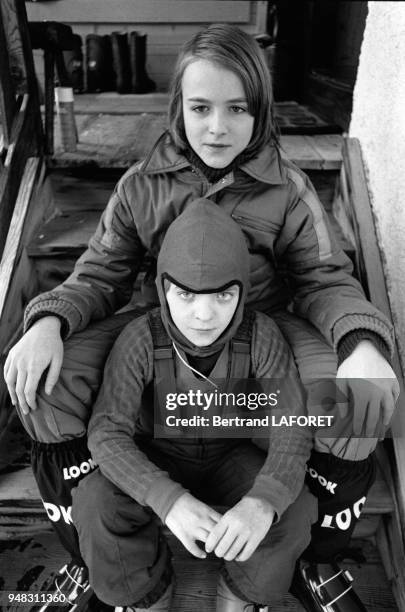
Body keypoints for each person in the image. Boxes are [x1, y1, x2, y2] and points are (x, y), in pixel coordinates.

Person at [4, 22, 398, 612]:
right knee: (45, 387)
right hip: (161, 330)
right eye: (201, 107)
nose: (218, 126)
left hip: (261, 330)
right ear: (178, 108)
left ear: (261, 112)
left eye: (237, 108)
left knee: (358, 400)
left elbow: (325, 276)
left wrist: (362, 340)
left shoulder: (286, 190)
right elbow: (101, 271)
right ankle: (99, 554)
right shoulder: (143, 185)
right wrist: (48, 322)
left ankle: (311, 559)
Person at [71, 199, 316, 611]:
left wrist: (263, 501)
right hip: (159, 454)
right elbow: (107, 431)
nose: (204, 315)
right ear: (164, 288)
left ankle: (242, 593)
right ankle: (144, 595)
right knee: (96, 502)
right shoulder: (140, 337)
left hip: (231, 456)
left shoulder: (262, 335)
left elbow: (292, 425)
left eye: (223, 295)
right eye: (185, 295)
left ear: (242, 288)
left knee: (295, 507)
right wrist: (167, 499)